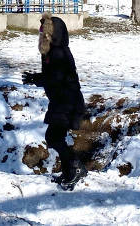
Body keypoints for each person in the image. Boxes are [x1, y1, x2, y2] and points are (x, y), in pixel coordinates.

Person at [22, 13, 87, 190]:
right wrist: (35, 77)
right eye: (42, 32)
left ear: (55, 33)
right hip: (61, 100)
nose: (43, 35)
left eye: (46, 32)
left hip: (68, 100)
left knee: (53, 136)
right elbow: (52, 76)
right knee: (56, 137)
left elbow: (56, 78)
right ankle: (68, 171)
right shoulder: (51, 51)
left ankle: (76, 168)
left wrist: (37, 79)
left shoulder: (58, 51)